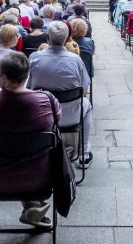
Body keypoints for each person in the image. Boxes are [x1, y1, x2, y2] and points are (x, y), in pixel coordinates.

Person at [0, 51, 60, 229]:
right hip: (40, 179)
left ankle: (31, 206)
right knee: (26, 155)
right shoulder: (47, 100)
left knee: (14, 153)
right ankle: (32, 205)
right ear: (26, 75)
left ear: (4, 77)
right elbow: (57, 123)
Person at [28, 21, 93, 166]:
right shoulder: (76, 60)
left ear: (47, 37)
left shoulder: (34, 57)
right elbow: (84, 87)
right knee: (87, 105)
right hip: (70, 116)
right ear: (66, 38)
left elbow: (28, 86)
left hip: (41, 114)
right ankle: (84, 153)